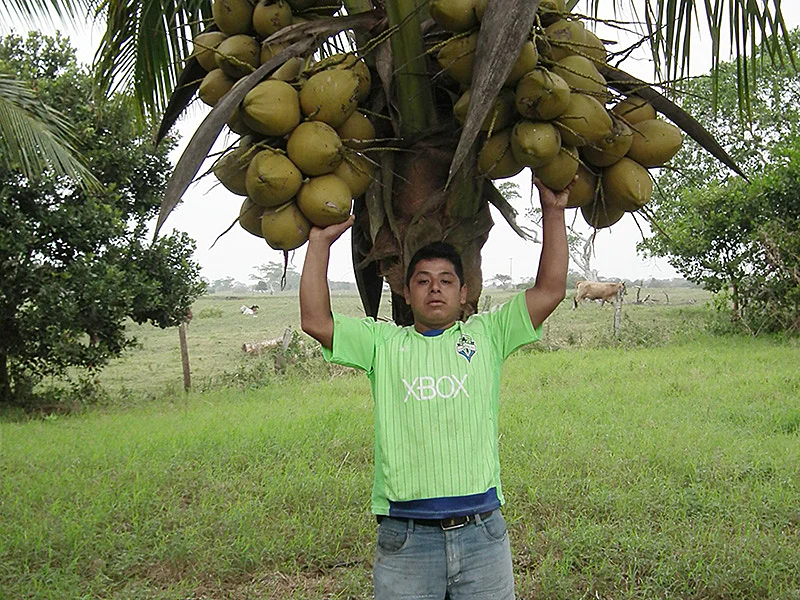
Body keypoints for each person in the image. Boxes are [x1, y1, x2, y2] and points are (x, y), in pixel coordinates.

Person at [299, 178, 570, 599]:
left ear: (465, 294)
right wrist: (319, 244)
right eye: (423, 281)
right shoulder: (383, 344)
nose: (435, 288)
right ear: (406, 294)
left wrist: (553, 212)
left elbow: (550, 289)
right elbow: (316, 322)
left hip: (482, 533)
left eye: (446, 280)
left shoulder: (489, 335)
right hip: (407, 539)